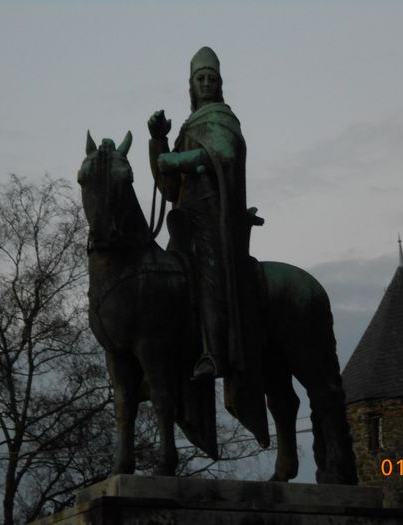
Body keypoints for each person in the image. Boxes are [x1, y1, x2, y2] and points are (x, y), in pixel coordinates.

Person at [148, 47, 249, 380]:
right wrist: (159, 142)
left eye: (211, 78)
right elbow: (168, 188)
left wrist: (178, 160)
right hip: (184, 216)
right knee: (164, 279)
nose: (206, 83)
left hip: (212, 216)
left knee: (209, 276)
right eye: (200, 78)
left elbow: (223, 153)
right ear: (191, 85)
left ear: (219, 84)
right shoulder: (188, 127)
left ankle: (214, 353)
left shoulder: (222, 118)